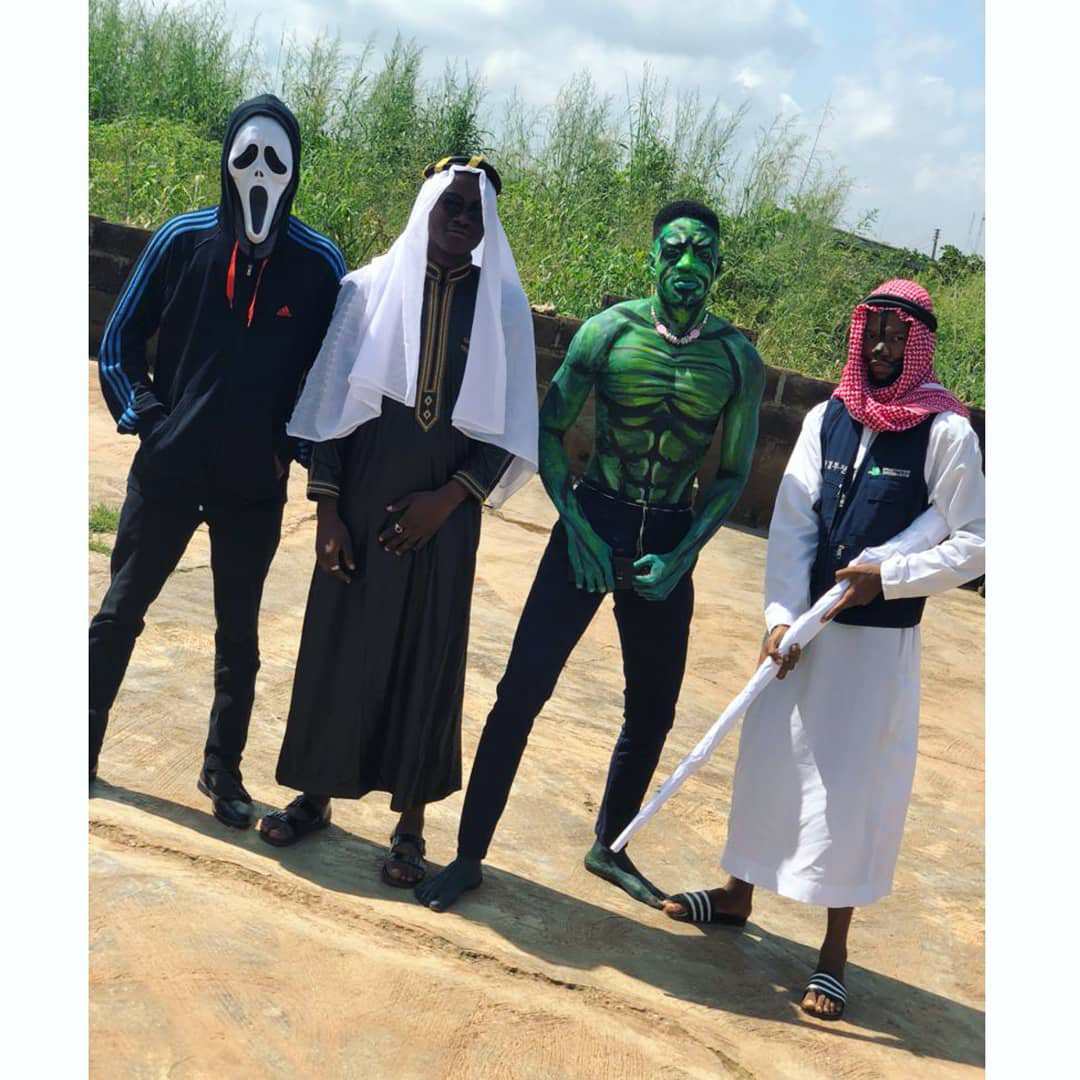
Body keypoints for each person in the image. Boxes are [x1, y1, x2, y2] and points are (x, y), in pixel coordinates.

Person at [416, 199, 765, 912]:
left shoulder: (736, 360)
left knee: (653, 708)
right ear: (652, 257)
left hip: (668, 537)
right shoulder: (608, 334)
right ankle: (469, 855)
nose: (687, 264)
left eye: (702, 253)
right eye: (674, 249)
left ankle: (610, 845)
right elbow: (546, 432)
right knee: (521, 691)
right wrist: (575, 528)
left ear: (719, 267)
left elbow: (732, 474)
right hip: (594, 518)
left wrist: (683, 556)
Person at [660, 279, 985, 1021]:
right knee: (767, 762)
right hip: (804, 633)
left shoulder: (946, 433)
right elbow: (793, 520)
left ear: (920, 345)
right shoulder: (827, 416)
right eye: (875, 330)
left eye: (899, 335)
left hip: (873, 652)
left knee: (850, 792)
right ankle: (738, 895)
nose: (883, 347)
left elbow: (975, 541)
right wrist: (780, 617)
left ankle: (834, 953)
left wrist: (890, 578)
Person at [260, 157, 539, 888]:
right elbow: (330, 405)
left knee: (427, 659)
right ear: (426, 207)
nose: (462, 220)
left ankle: (410, 828)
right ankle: (315, 795)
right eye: (451, 205)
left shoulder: (503, 308)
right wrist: (327, 510)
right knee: (338, 647)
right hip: (358, 505)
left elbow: (511, 426)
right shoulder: (367, 289)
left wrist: (446, 500)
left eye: (475, 212)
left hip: (446, 520)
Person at [89, 95, 346, 828]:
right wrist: (151, 422)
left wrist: (291, 454)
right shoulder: (183, 240)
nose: (260, 172)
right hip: (168, 473)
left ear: (294, 170)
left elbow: (330, 376)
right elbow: (118, 340)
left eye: (275, 160)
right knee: (119, 613)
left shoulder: (319, 266)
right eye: (248, 156)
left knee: (239, 635)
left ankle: (222, 771)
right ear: (227, 159)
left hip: (251, 488)